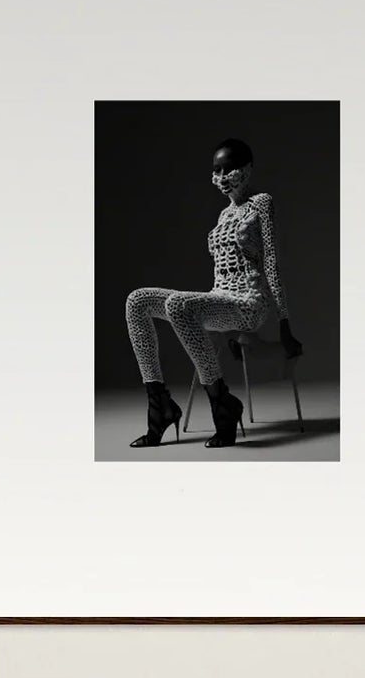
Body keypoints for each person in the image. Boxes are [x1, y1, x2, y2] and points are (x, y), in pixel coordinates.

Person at [123, 138, 304, 449]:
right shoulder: (222, 216)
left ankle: (222, 401)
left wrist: (284, 322)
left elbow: (272, 262)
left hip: (248, 304)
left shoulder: (261, 203)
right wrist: (215, 314)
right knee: (137, 299)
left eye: (230, 168)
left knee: (179, 305)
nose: (222, 176)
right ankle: (159, 405)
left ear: (248, 169)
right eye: (216, 170)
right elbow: (221, 275)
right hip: (220, 299)